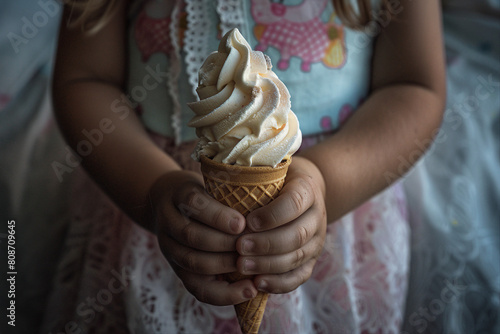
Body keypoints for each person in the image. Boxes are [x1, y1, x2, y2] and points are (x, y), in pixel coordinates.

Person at [42, 0, 445, 333]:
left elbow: (413, 84)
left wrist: (325, 183)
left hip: (339, 208)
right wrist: (151, 192)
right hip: (144, 202)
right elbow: (85, 78)